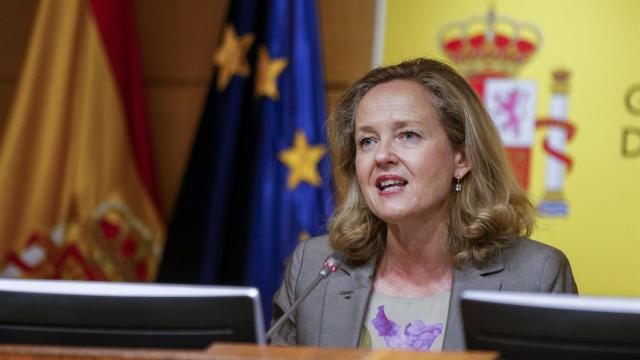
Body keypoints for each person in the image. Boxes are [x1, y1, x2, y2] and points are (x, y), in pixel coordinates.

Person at [270, 58, 577, 351]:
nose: (382, 155)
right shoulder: (313, 270)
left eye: (408, 135)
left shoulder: (534, 277)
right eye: (367, 141)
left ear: (463, 157)